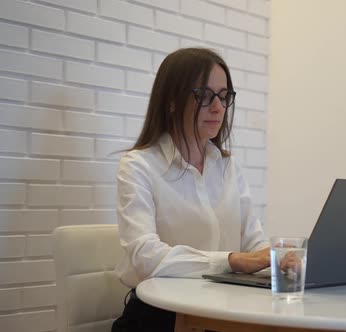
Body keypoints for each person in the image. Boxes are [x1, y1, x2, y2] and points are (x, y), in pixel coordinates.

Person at [111, 48, 270, 332]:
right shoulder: (138, 165)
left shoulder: (227, 166)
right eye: (205, 95)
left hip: (224, 312)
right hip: (160, 316)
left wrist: (280, 260)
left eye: (224, 96)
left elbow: (254, 243)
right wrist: (232, 261)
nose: (218, 107)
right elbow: (145, 257)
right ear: (172, 101)